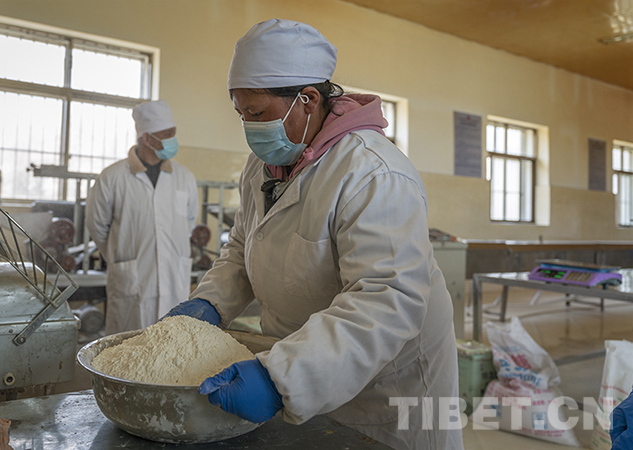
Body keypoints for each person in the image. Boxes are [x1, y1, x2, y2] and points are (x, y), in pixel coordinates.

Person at [164, 19, 463, 449]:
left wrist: (283, 377)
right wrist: (210, 302)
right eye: (241, 114)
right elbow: (245, 245)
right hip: (303, 362)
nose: (249, 127)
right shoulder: (263, 166)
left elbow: (386, 298)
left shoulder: (373, 173)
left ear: (307, 99)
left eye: (257, 114)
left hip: (386, 387)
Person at [87, 100, 198, 334]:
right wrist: (121, 256)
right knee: (130, 345)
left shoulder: (185, 177)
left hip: (174, 279)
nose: (173, 140)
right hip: (131, 283)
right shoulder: (112, 177)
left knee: (172, 343)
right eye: (167, 135)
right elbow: (97, 226)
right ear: (147, 138)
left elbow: (189, 221)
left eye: (173, 133)